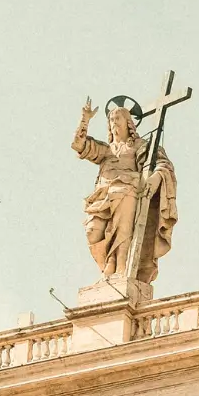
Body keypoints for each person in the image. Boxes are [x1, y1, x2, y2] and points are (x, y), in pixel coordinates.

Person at [73, 99, 177, 286]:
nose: (114, 123)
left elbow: (162, 164)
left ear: (128, 123)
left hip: (127, 190)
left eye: (118, 118)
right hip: (102, 196)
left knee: (124, 196)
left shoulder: (139, 146)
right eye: (111, 119)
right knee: (92, 231)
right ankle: (107, 263)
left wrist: (154, 179)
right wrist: (85, 120)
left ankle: (119, 265)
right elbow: (79, 145)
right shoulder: (106, 150)